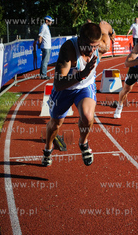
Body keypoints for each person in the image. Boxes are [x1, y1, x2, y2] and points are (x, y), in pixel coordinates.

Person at [41, 22, 109, 167]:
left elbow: (106, 27)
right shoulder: (69, 49)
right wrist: (81, 75)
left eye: (95, 46)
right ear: (80, 40)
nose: (91, 50)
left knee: (87, 116)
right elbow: (58, 84)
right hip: (65, 89)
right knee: (55, 124)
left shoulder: (101, 45)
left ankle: (83, 143)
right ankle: (48, 148)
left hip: (85, 87)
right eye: (88, 46)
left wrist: (112, 31)